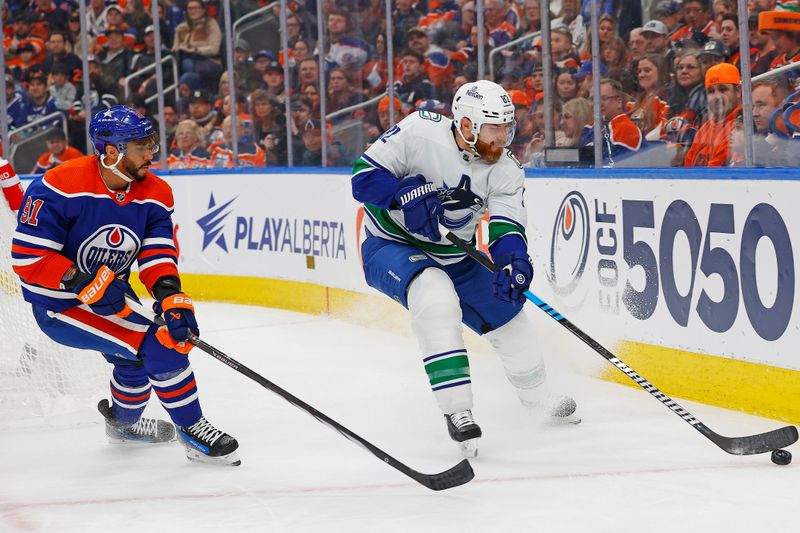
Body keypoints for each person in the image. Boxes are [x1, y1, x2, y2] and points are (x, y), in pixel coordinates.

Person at [350, 80, 579, 458]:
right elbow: (362, 177)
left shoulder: (506, 169)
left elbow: (506, 225)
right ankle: (458, 410)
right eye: (495, 128)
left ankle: (537, 399)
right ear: (468, 124)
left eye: (508, 127)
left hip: (457, 255)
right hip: (390, 245)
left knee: (511, 321)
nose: (503, 137)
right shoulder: (419, 131)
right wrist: (401, 192)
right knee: (435, 295)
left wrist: (514, 262)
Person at [10, 106, 240, 465]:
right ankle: (194, 431)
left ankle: (122, 424)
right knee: (160, 346)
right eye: (141, 146)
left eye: (151, 143)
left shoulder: (156, 193)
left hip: (111, 291)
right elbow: (28, 258)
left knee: (132, 361)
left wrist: (170, 297)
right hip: (60, 304)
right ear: (111, 151)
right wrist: (85, 282)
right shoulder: (59, 185)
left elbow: (157, 251)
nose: (151, 153)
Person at [684, 62, 742, 166]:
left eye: (723, 90)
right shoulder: (704, 130)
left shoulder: (742, 127)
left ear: (738, 91)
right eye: (711, 91)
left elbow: (716, 172)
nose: (717, 97)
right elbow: (688, 166)